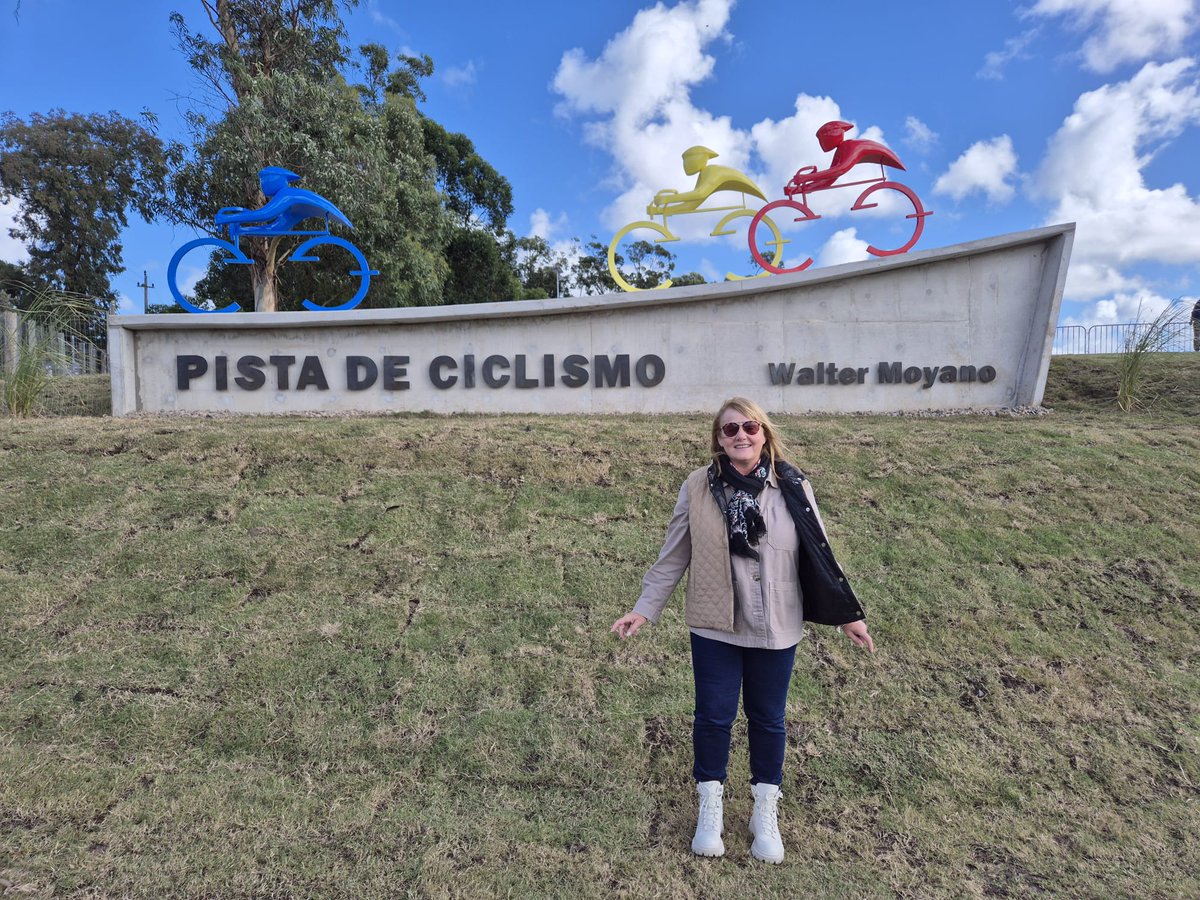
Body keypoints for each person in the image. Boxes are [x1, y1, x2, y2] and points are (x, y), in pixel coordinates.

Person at [610, 397, 875, 864]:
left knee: (768, 718)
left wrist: (846, 614)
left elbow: (820, 553)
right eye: (730, 429)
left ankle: (763, 810)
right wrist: (644, 609)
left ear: (764, 433)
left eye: (750, 427)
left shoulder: (792, 485)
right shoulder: (697, 486)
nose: (741, 436)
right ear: (718, 438)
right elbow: (674, 556)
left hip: (777, 623)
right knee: (713, 716)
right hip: (715, 624)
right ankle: (710, 808)